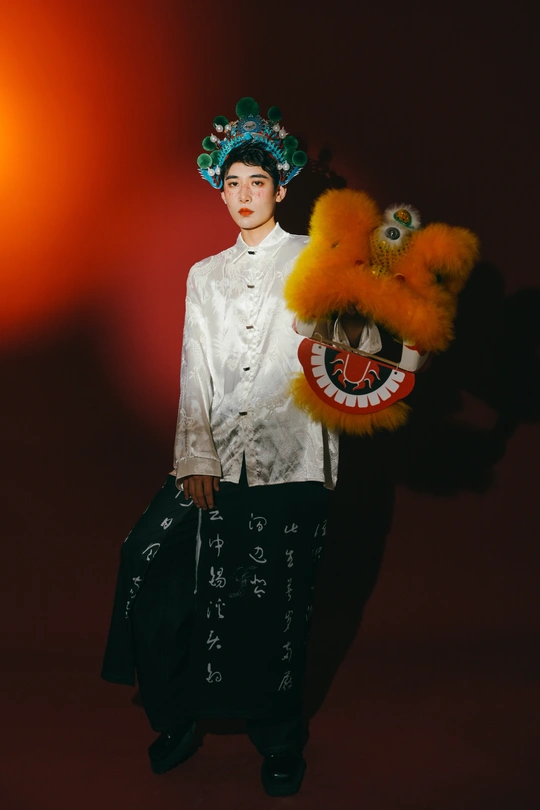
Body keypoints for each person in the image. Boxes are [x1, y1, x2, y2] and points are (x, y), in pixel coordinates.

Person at [101, 97, 378, 797]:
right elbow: (195, 367)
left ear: (280, 189)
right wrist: (196, 457)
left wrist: (379, 329)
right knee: (150, 558)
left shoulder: (316, 262)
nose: (245, 195)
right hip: (219, 453)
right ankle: (176, 713)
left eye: (258, 182)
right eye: (233, 183)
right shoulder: (205, 275)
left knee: (277, 604)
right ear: (220, 191)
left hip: (293, 457)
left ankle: (279, 740)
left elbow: (354, 348)